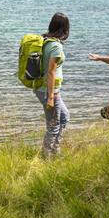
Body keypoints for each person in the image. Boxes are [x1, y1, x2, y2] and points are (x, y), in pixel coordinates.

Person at [34, 13, 70, 157]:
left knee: (64, 117)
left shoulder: (45, 41)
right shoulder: (55, 47)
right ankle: (46, 158)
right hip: (49, 91)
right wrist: (50, 97)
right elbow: (51, 72)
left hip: (45, 89)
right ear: (65, 29)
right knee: (53, 126)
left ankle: (55, 151)